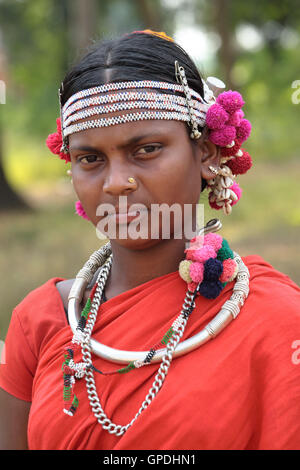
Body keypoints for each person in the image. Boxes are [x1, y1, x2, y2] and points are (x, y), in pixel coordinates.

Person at [1, 29, 300, 451]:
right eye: (91, 159)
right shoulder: (42, 321)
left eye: (146, 150)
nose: (116, 183)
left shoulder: (276, 321)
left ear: (208, 155)